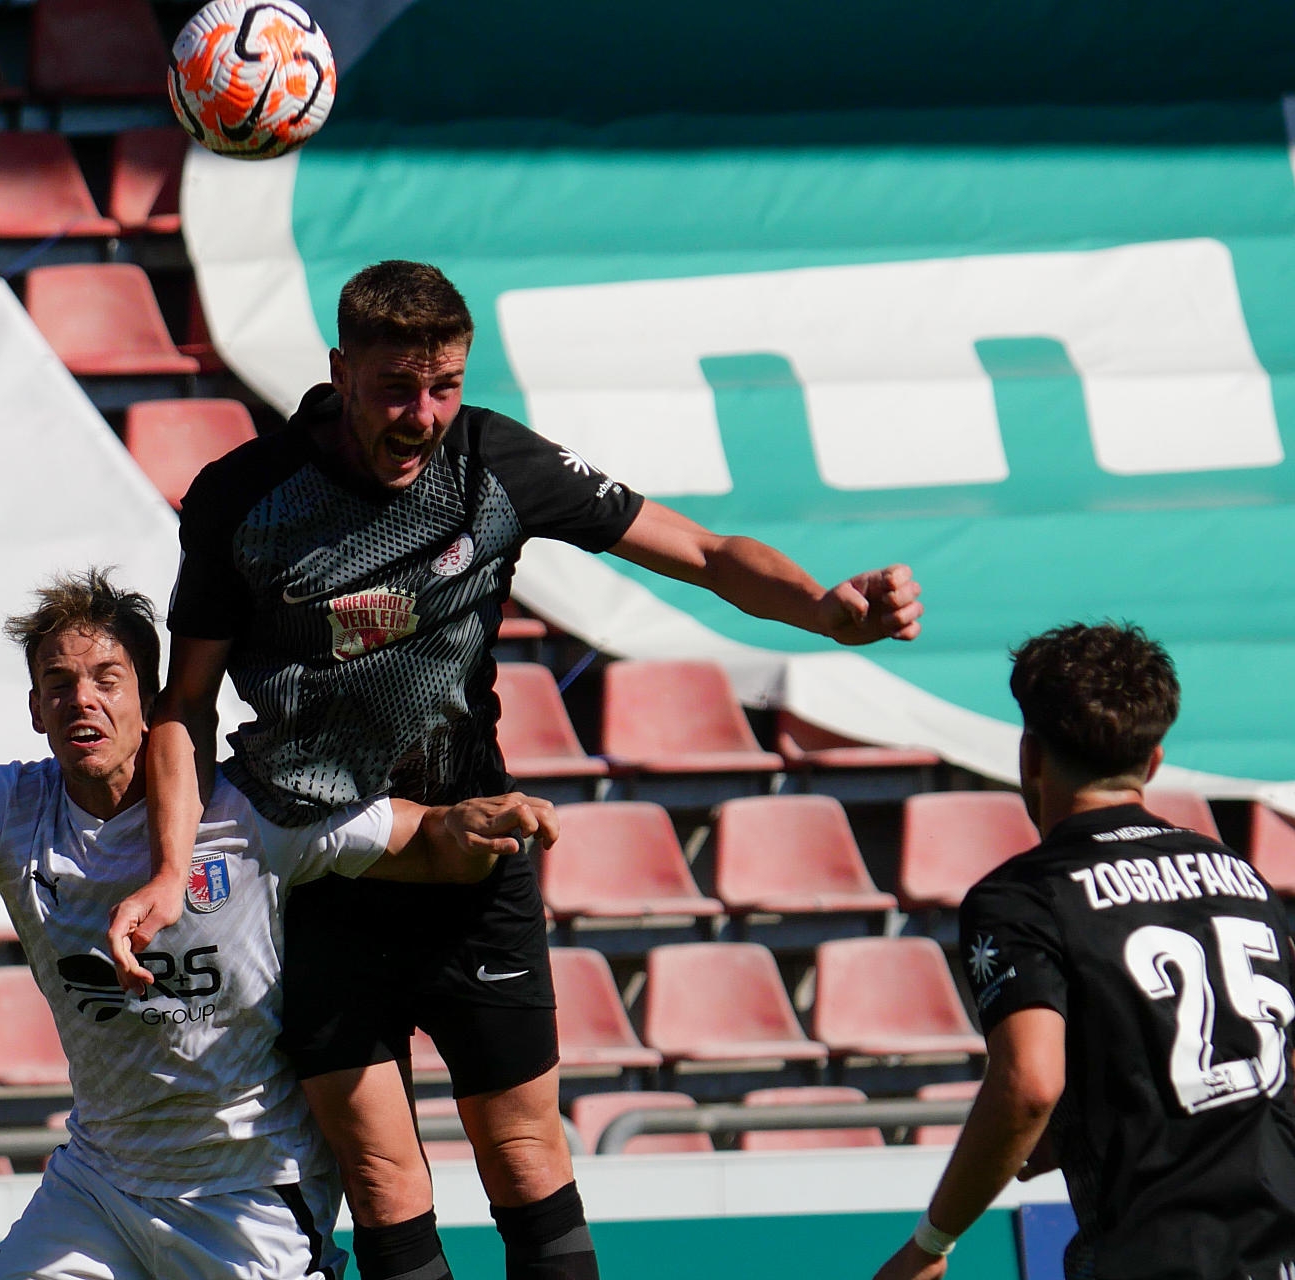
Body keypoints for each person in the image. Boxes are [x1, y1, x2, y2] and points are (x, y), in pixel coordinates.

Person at [107, 260, 926, 1280]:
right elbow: (184, 705)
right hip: (318, 867)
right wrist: (169, 865)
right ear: (339, 371)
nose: (423, 415)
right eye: (396, 389)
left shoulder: (492, 462)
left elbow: (705, 552)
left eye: (443, 386)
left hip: (471, 852)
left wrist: (823, 610)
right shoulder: (244, 497)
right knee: (382, 1180)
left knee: (526, 1156)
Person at [0, 568, 559, 1280]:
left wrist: (468, 825)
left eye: (106, 679)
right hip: (99, 1186)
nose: (82, 699)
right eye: (57, 683)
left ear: (150, 700)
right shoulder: (2, 810)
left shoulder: (248, 809)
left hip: (248, 1190)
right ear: (36, 709)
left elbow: (423, 840)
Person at [874, 622, 1295, 1280]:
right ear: (1153, 761)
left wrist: (931, 1243)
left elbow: (1030, 1085)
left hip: (1157, 1257)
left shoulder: (1022, 896)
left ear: (1029, 757)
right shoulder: (1241, 878)